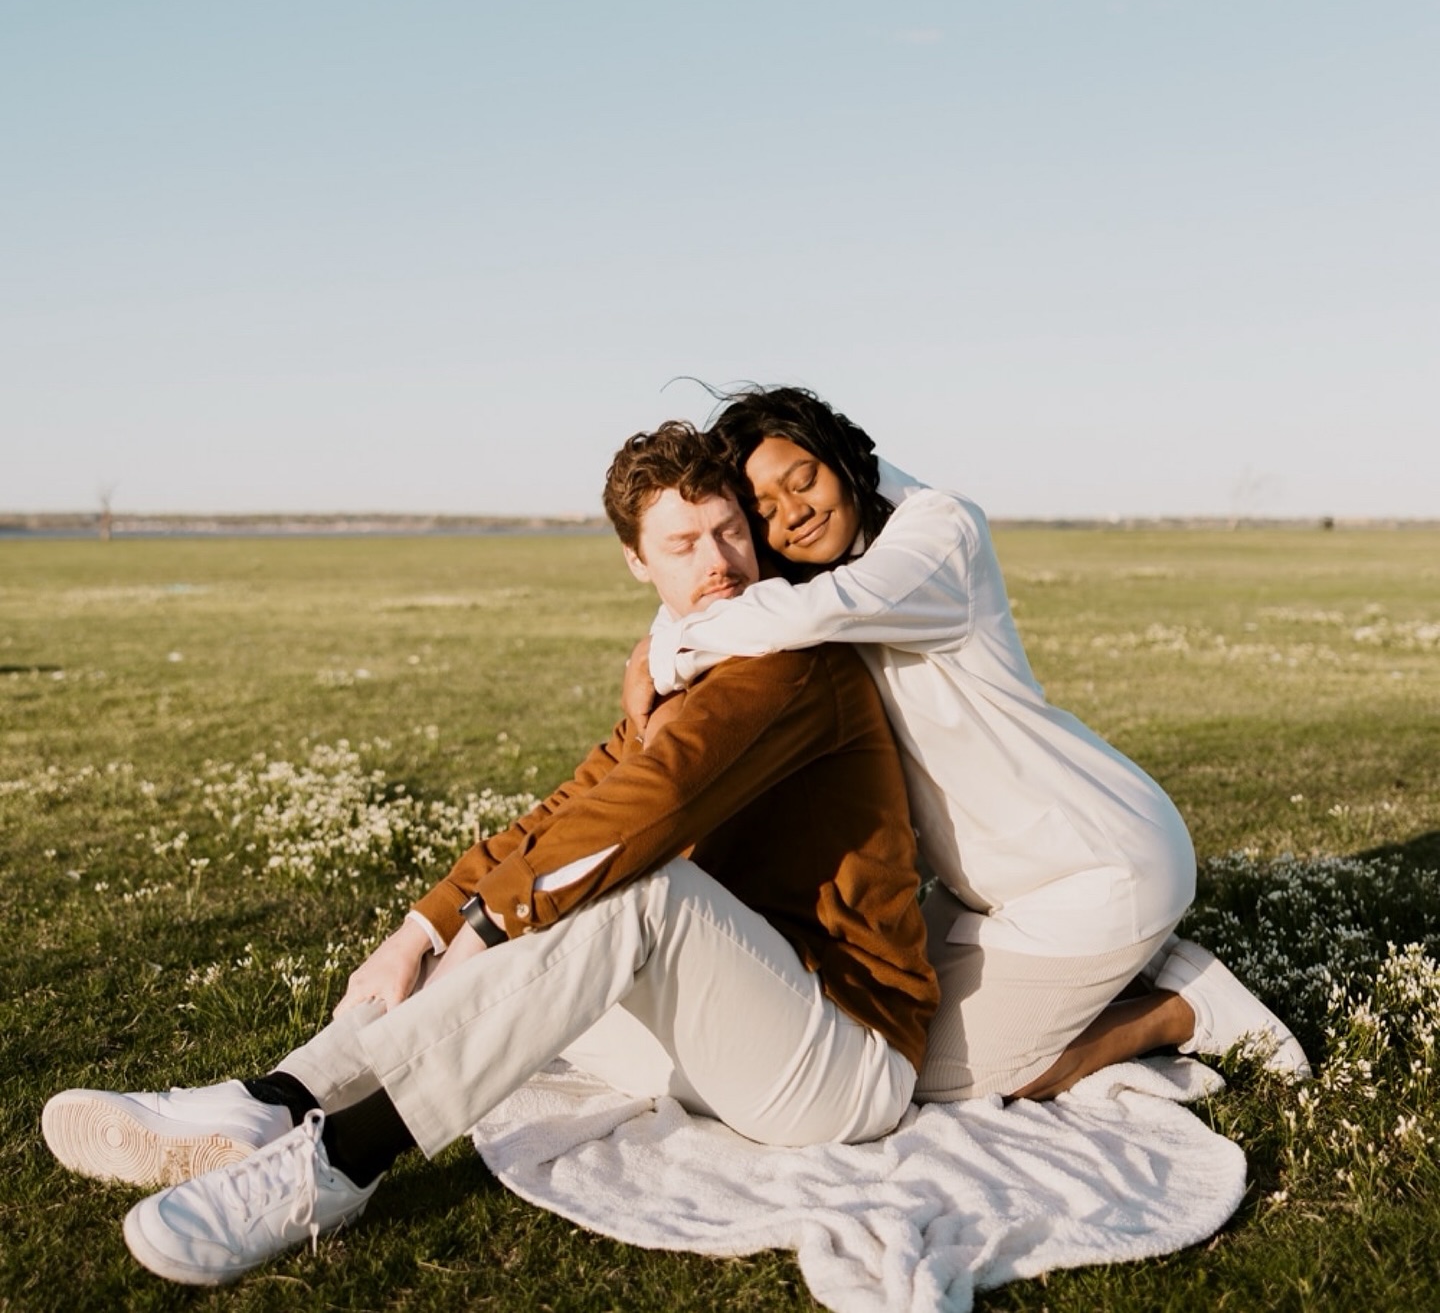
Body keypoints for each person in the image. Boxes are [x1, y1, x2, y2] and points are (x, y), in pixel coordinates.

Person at [42, 422, 938, 1288]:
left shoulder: (791, 660)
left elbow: (646, 806)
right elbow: (573, 806)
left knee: (629, 892)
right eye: (683, 543)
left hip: (841, 1055)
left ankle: (337, 1165)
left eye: (730, 530)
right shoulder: (691, 664)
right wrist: (424, 924)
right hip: (726, 1034)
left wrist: (488, 920)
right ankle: (274, 1098)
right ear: (638, 560)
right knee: (545, 900)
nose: (718, 561)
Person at [631, 386, 1310, 1102]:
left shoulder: (937, 534)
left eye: (804, 479)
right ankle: (1135, 968)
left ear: (840, 454)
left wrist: (666, 648)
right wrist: (663, 635)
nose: (792, 513)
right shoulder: (811, 562)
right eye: (762, 508)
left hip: (1100, 864)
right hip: (984, 886)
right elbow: (730, 588)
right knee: (878, 1028)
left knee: (924, 1075)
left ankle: (1180, 1007)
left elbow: (818, 609)